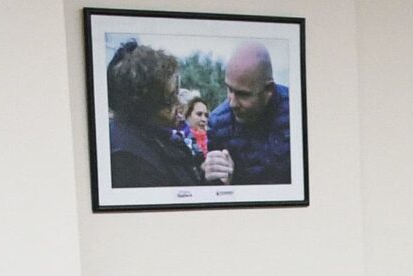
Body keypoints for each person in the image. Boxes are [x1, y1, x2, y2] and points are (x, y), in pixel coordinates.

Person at [101, 41, 226, 189]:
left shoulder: (152, 136)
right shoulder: (129, 161)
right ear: (144, 106)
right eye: (170, 98)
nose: (179, 103)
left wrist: (207, 175)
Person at [206, 40, 292, 185]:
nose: (232, 103)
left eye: (242, 94)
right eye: (229, 89)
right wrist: (222, 181)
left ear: (268, 90)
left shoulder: (296, 112)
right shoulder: (218, 124)